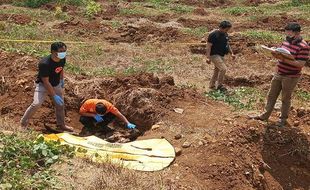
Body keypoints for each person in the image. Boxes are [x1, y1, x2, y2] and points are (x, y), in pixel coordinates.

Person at [253, 22, 309, 127]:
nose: (286, 33)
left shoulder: (303, 46)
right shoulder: (286, 41)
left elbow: (300, 64)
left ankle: (282, 119)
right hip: (279, 73)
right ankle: (264, 116)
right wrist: (275, 53)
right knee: (271, 95)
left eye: (288, 31)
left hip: (291, 76)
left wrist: (283, 59)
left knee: (285, 98)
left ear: (295, 32)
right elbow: (281, 53)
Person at [20, 42, 73, 132]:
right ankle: (23, 124)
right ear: (53, 51)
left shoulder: (62, 59)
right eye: (61, 51)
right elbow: (46, 82)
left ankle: (61, 125)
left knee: (60, 105)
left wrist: (61, 80)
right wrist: (54, 95)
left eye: (64, 51)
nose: (63, 53)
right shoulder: (45, 64)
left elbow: (61, 69)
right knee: (36, 103)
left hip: (56, 84)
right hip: (43, 85)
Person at [206, 20, 235, 91]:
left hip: (221, 55)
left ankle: (211, 85)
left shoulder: (225, 34)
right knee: (223, 69)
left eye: (228, 29)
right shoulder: (213, 35)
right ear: (221, 27)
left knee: (217, 70)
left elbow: (227, 45)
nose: (227, 31)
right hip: (214, 55)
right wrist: (208, 57)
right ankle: (220, 85)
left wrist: (232, 53)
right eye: (226, 29)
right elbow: (208, 46)